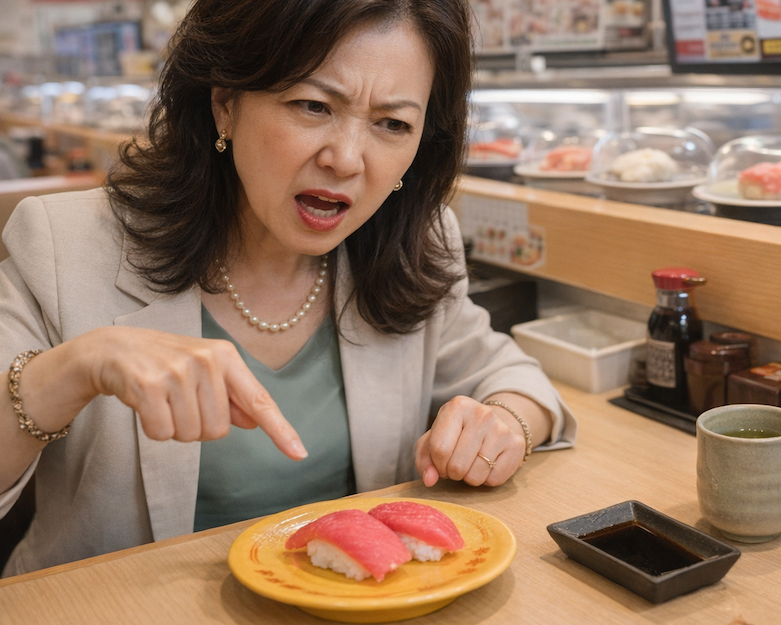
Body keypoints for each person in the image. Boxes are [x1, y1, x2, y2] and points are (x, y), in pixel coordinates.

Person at [0, 0, 576, 577]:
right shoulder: (65, 243)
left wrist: (505, 424)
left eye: (392, 124)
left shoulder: (409, 247)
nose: (347, 159)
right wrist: (77, 368)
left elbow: (513, 379)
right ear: (225, 103)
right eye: (313, 105)